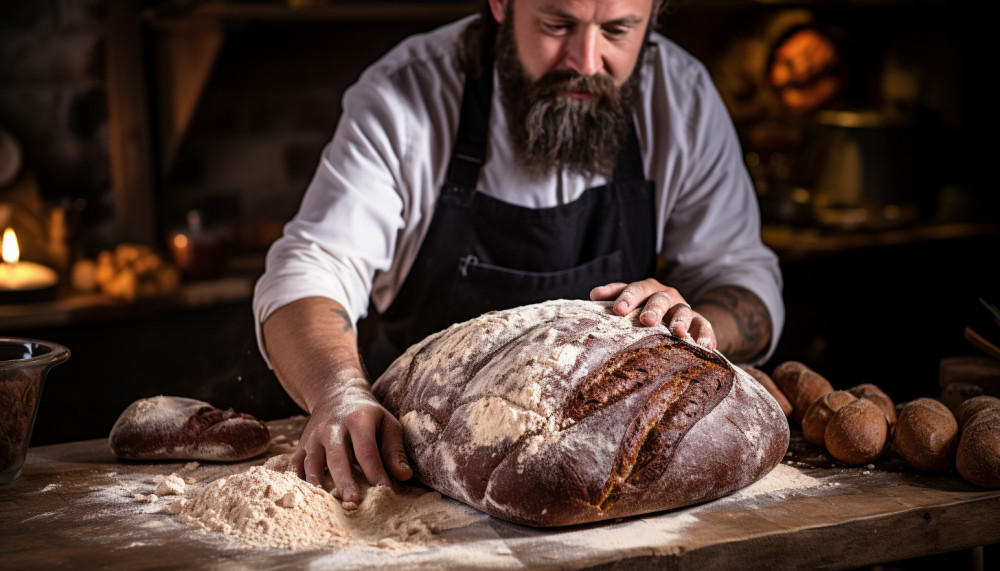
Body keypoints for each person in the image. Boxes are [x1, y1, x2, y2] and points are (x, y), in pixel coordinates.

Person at [253, 0, 784, 504]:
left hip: (600, 463)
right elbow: (310, 270)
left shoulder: (681, 99)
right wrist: (339, 391)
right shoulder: (408, 95)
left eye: (617, 30)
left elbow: (744, 280)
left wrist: (692, 328)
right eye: (557, 24)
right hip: (410, 465)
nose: (586, 62)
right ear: (500, 4)